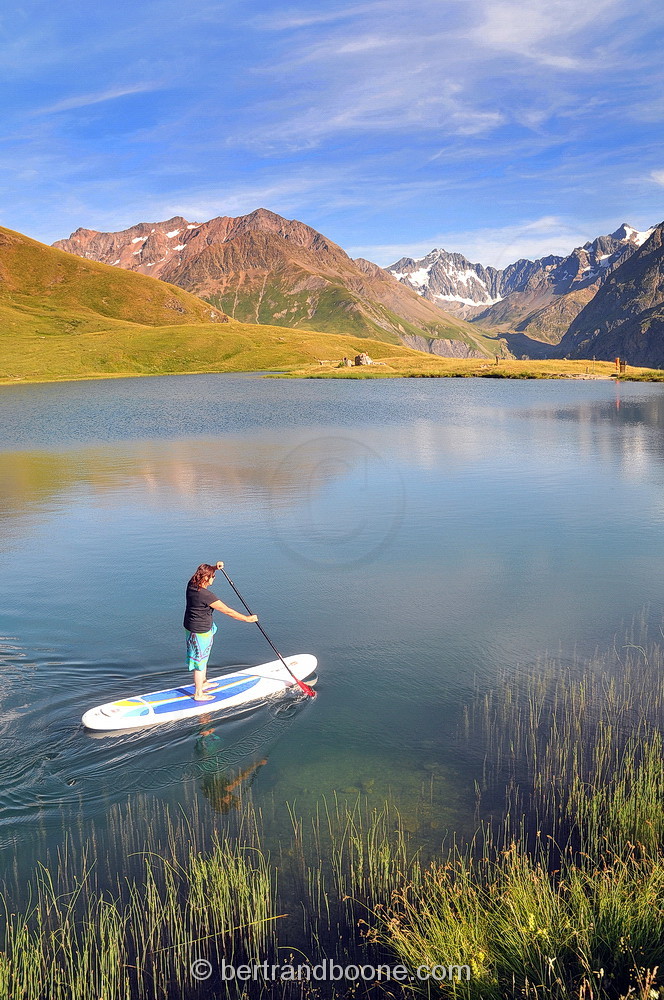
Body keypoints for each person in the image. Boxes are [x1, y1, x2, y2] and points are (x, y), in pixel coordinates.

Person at [183, 560, 258, 701]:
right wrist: (247, 619)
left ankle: (204, 683)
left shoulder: (191, 585)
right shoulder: (207, 596)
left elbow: (204, 571)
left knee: (202, 657)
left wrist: (214, 568)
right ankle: (198, 694)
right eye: (213, 576)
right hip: (200, 631)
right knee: (200, 661)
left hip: (191, 627)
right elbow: (228, 611)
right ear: (205, 578)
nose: (214, 578)